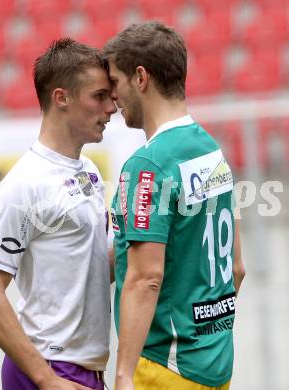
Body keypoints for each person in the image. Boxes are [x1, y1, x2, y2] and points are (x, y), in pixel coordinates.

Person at [103, 21, 246, 390]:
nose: (113, 98)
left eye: (115, 82)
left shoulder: (148, 166)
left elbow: (145, 278)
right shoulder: (211, 150)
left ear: (140, 78)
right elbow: (237, 268)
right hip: (215, 363)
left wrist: (124, 373)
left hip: (163, 368)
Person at [0, 38, 117, 390]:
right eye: (99, 96)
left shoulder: (89, 170)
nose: (112, 107)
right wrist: (46, 380)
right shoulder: (25, 184)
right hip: (51, 369)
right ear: (61, 98)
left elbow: (92, 274)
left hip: (84, 369)